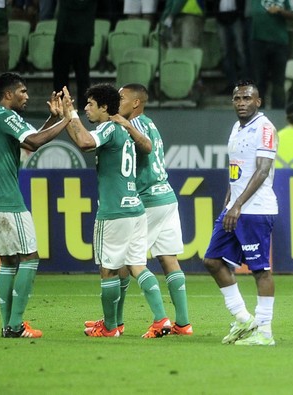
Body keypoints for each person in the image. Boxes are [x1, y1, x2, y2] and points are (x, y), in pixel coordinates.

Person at [61, 83, 172, 338]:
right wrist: (70, 118)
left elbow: (85, 142)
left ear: (104, 107)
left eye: (90, 104)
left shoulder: (109, 127)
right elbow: (143, 146)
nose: (86, 108)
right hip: (135, 209)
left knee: (108, 270)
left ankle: (111, 327)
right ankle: (161, 319)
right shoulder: (125, 128)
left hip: (113, 212)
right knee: (136, 266)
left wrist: (70, 115)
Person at [0, 72, 69, 338]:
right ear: (8, 94)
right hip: (6, 201)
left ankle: (8, 325)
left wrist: (51, 119)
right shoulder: (6, 116)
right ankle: (16, 325)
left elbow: (29, 140)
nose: (27, 96)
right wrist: (66, 120)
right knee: (29, 257)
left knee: (8, 261)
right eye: (22, 92)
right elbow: (34, 142)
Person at [100, 83, 193, 335]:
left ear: (136, 103)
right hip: (167, 197)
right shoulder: (150, 123)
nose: (117, 102)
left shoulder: (133, 126)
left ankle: (126, 322)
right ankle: (183, 323)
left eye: (121, 98)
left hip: (148, 199)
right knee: (169, 259)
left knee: (127, 262)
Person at [203, 80, 279, 346]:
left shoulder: (265, 128)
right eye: (237, 99)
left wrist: (238, 205)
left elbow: (262, 169)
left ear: (258, 101)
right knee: (212, 260)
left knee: (260, 270)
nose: (242, 103)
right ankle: (243, 319)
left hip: (256, 210)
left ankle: (265, 331)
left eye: (247, 98)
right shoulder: (237, 127)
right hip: (235, 208)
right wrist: (229, 204)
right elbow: (235, 170)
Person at [249, 0, 293, 109]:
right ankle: (258, 114)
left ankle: (278, 111)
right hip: (258, 41)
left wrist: (280, 11)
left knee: (279, 81)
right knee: (259, 80)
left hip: (279, 42)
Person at [52, 0, 97, 111]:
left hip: (74, 36)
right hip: (76, 37)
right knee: (79, 77)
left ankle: (65, 109)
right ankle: (70, 108)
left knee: (76, 77)